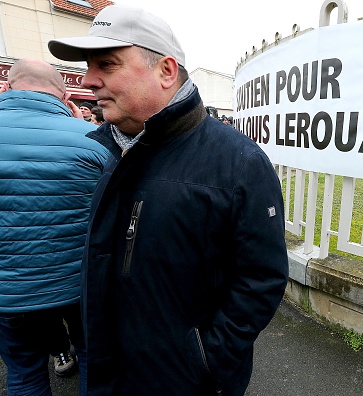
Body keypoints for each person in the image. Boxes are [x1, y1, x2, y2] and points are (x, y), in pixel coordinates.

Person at [48, 5, 289, 396]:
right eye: (89, 66)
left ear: (166, 71)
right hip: (110, 374)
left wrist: (205, 358)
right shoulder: (117, 148)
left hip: (186, 382)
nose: (89, 80)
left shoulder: (239, 162)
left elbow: (262, 278)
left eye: (106, 65)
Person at [0, 59, 110, 395]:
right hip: (78, 285)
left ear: (6, 87)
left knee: (23, 372)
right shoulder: (94, 138)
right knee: (94, 358)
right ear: (65, 97)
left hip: (9, 290)